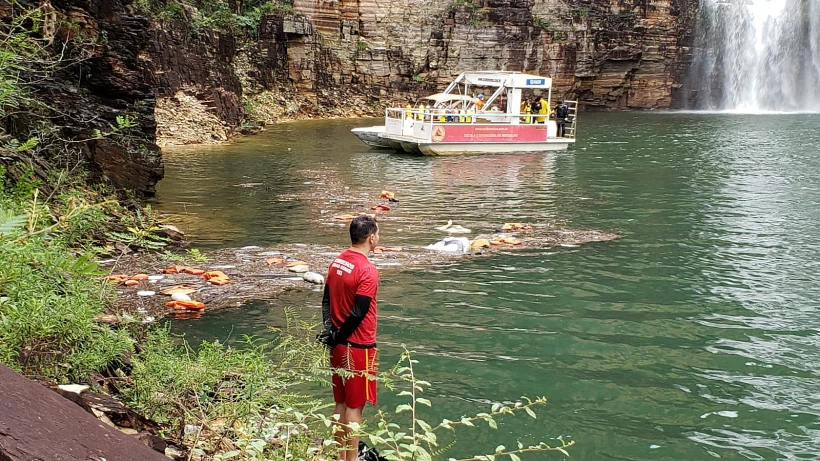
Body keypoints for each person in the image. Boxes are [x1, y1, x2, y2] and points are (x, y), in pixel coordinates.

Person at [318, 215, 381, 461]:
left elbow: (326, 300)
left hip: (338, 344)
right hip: (359, 346)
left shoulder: (337, 262)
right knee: (355, 407)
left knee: (340, 403)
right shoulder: (368, 270)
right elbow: (358, 312)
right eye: (378, 233)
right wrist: (339, 334)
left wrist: (331, 332)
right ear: (371, 238)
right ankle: (351, 459)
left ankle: (339, 456)